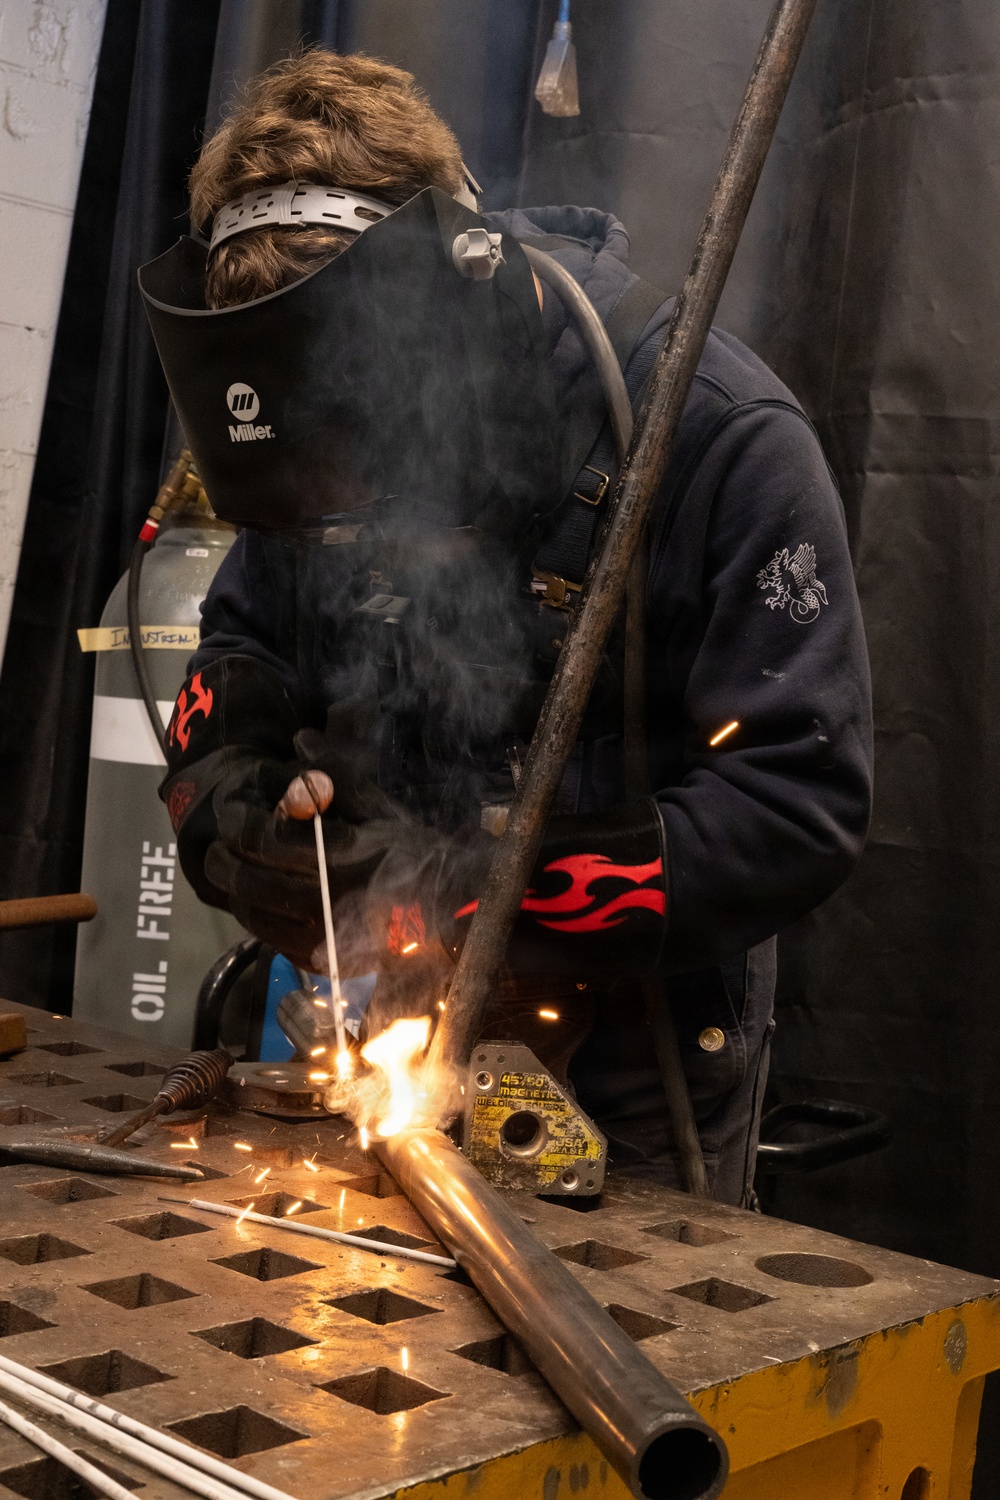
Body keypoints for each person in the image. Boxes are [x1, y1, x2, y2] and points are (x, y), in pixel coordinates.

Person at [151, 49, 873, 1207]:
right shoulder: (300, 433)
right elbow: (235, 683)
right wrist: (251, 831)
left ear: (461, 293)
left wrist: (471, 887)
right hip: (372, 1030)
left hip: (634, 1067)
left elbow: (796, 806)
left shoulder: (717, 438)